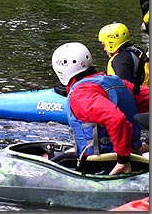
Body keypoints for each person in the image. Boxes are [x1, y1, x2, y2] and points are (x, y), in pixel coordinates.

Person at [51, 42, 149, 176]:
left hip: (103, 165)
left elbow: (116, 119)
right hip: (134, 158)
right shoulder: (117, 82)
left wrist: (123, 161)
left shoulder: (81, 94)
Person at [98, 23, 149, 87]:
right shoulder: (138, 51)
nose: (104, 49)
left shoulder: (120, 60)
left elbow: (121, 88)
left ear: (111, 43)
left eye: (104, 45)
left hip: (136, 96)